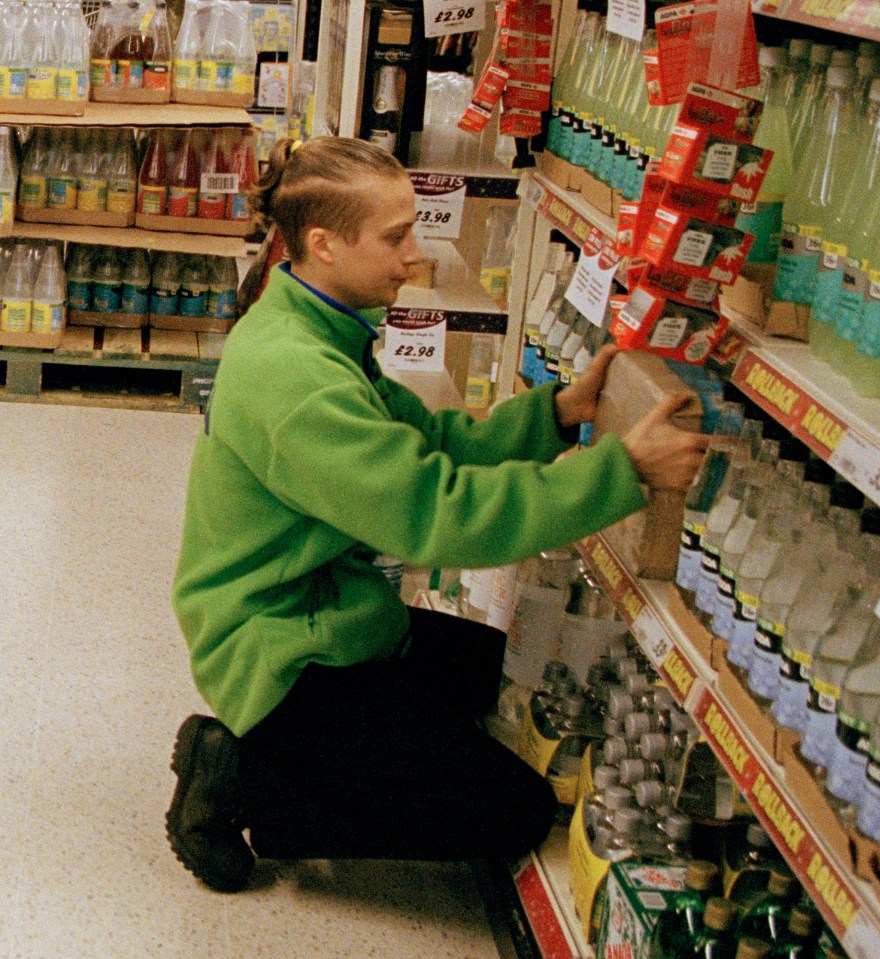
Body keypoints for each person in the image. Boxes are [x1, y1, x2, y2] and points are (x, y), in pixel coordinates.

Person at [166, 136, 708, 893]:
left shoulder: (317, 324)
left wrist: (553, 415)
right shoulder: (293, 377)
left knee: (488, 670)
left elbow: (427, 443)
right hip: (283, 654)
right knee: (512, 809)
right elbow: (437, 515)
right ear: (322, 244)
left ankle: (319, 757)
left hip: (334, 613)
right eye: (395, 236)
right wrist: (618, 475)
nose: (413, 255)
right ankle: (246, 781)